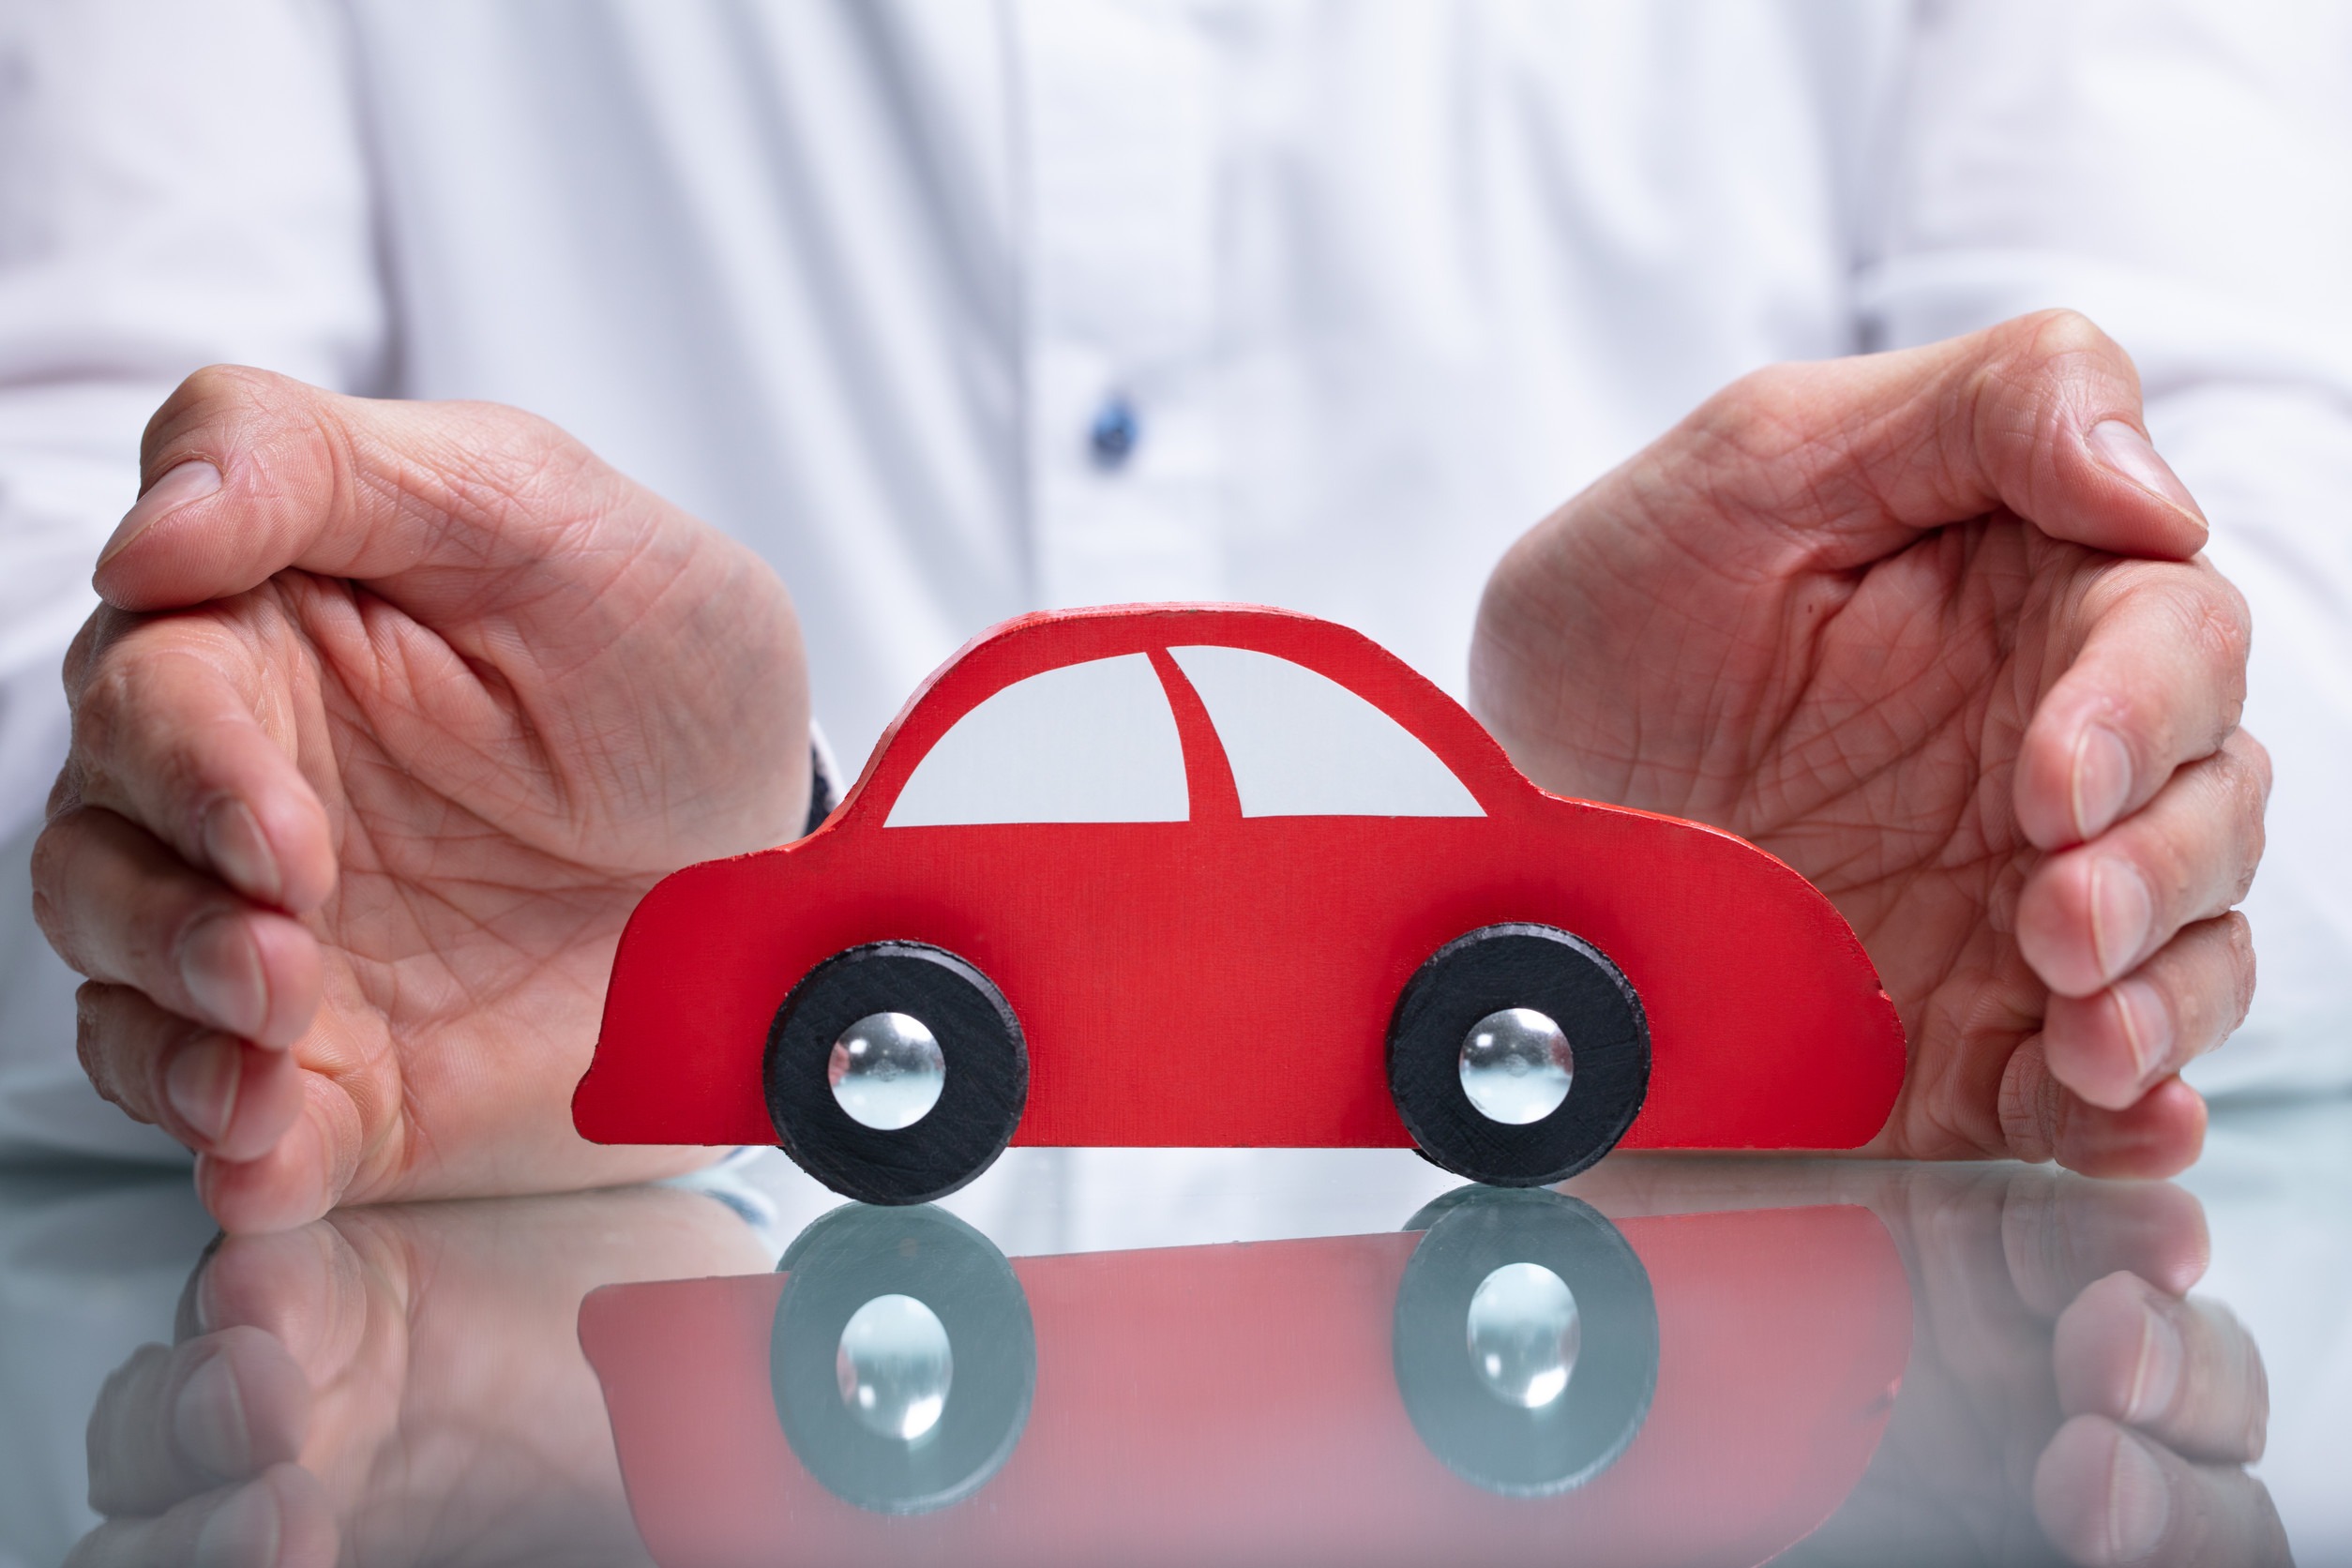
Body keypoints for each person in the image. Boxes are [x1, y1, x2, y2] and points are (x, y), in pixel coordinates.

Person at [1, 2, 2334, 1229]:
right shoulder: (1128, 824)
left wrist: (2042, 779)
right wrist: (278, 808)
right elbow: (88, 521)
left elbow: (2252, 549)